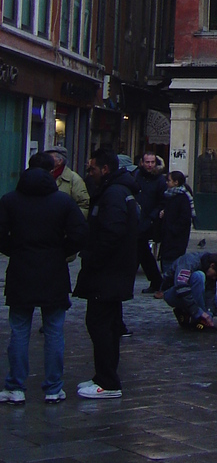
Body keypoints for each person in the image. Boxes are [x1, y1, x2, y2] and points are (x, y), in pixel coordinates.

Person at [0, 152, 88, 404]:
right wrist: (62, 250)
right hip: (53, 270)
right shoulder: (62, 202)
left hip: (21, 269)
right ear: (52, 172)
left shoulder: (10, 200)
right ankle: (53, 387)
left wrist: (15, 249)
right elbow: (80, 234)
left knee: (18, 330)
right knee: (53, 331)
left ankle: (15, 386)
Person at [72, 146, 140, 399]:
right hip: (114, 272)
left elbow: (112, 233)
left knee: (100, 324)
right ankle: (104, 376)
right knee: (107, 325)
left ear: (105, 169)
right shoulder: (118, 192)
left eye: (91, 169)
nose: (89, 173)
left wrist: (92, 257)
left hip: (108, 272)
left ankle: (107, 381)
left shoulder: (113, 194)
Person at [162, 252, 217, 330]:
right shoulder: (189, 261)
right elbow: (181, 287)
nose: (214, 278)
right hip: (173, 292)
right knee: (199, 276)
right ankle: (198, 317)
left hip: (193, 295)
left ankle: (187, 312)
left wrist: (209, 313)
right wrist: (198, 312)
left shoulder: (210, 270)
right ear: (212, 265)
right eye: (215, 275)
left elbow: (210, 294)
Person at [133, 151, 167, 293]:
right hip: (136, 218)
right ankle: (156, 280)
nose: (150, 165)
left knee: (139, 250)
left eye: (152, 162)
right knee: (141, 251)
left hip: (150, 221)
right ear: (142, 162)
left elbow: (162, 201)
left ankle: (155, 280)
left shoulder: (159, 180)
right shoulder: (136, 176)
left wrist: (153, 217)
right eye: (147, 162)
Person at [156, 171, 195, 275]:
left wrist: (171, 229)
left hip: (175, 241)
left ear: (176, 182)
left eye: (169, 180)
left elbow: (184, 220)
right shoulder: (170, 196)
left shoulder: (182, 198)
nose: (166, 183)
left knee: (171, 268)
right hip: (168, 239)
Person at [47, 146, 90, 217]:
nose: (46, 160)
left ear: (60, 161)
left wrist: (70, 220)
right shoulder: (45, 176)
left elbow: (84, 206)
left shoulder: (74, 179)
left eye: (50, 157)